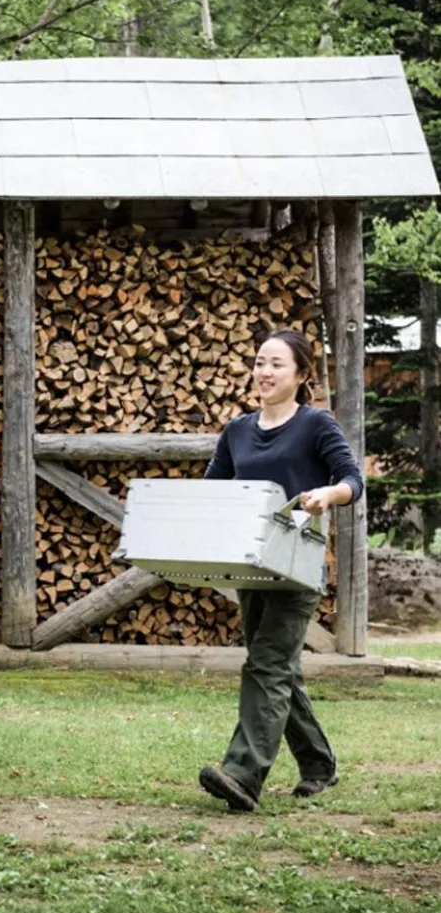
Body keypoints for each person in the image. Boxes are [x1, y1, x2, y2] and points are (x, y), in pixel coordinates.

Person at [198, 328, 364, 813]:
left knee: (267, 664)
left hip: (298, 563)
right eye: (259, 362)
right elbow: (214, 491)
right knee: (279, 669)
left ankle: (243, 774)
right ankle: (319, 765)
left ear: (301, 374)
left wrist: (328, 495)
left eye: (276, 364)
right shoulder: (237, 430)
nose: (264, 372)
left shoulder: (315, 424)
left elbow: (352, 480)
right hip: (252, 564)